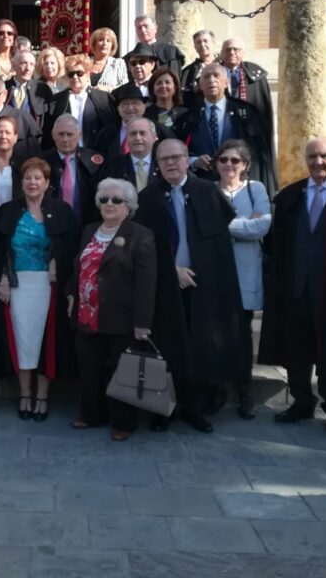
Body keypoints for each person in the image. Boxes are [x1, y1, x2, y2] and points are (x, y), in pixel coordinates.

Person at [136, 139, 247, 434]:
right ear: (158, 165)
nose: (171, 163)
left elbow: (218, 245)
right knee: (167, 347)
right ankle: (164, 408)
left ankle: (195, 408)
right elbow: (145, 247)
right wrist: (172, 271)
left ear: (187, 160)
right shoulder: (148, 197)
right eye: (164, 159)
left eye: (176, 157)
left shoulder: (208, 192)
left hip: (204, 284)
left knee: (201, 346)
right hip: (164, 284)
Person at [258, 137, 326, 435]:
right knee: (295, 348)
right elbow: (275, 244)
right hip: (294, 287)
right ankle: (302, 401)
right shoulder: (289, 197)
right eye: (312, 157)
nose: (318, 162)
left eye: (324, 156)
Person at [66, 178, 157, 441]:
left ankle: (123, 422)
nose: (109, 204)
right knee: (89, 369)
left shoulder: (140, 235)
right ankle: (91, 415)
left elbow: (146, 282)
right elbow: (79, 267)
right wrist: (71, 294)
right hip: (86, 314)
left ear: (129, 206)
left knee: (122, 370)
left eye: (117, 200)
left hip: (122, 316)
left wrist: (142, 322)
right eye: (104, 199)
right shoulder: (89, 230)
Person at [0, 157, 78, 422]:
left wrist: (57, 262)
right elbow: (0, 250)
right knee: (22, 339)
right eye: (27, 178)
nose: (32, 182)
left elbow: (71, 249)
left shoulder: (62, 211)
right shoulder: (8, 211)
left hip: (48, 285)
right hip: (18, 285)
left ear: (47, 183)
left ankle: (42, 395)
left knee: (46, 341)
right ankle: (25, 393)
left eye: (37, 178)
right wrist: (4, 278)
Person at [214, 139, 271, 420]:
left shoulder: (255, 189)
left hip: (247, 271)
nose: (229, 165)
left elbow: (262, 225)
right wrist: (244, 224)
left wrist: (223, 226)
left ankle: (245, 391)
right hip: (216, 273)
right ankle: (219, 390)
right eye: (223, 159)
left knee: (243, 335)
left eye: (235, 160)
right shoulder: (209, 190)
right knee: (217, 334)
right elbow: (204, 226)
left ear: (245, 165)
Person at [174, 62, 277, 196]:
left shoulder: (246, 113)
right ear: (200, 85)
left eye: (216, 76)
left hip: (239, 188)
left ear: (226, 82)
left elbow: (259, 156)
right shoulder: (187, 118)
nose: (212, 80)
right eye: (206, 77)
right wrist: (193, 161)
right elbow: (178, 151)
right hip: (202, 189)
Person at [42, 56, 115, 151]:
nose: (75, 77)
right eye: (71, 74)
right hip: (65, 153)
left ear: (88, 74)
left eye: (80, 73)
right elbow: (49, 131)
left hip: (95, 153)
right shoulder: (57, 100)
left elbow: (110, 128)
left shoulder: (103, 98)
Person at [41, 115, 103, 225]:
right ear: (53, 135)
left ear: (79, 135)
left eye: (69, 134)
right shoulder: (41, 161)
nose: (65, 139)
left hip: (86, 225)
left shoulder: (94, 161)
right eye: (61, 134)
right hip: (50, 224)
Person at [220, 38, 273, 139]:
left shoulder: (256, 75)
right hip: (223, 129)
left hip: (249, 132)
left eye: (236, 49)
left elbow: (264, 109)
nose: (232, 52)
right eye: (228, 49)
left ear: (243, 53)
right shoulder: (213, 74)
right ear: (221, 54)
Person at [100, 117, 161, 194]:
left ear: (154, 137)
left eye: (142, 133)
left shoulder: (163, 164)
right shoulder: (113, 166)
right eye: (133, 134)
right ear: (127, 138)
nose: (138, 138)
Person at [93, 83, 151, 160]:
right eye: (125, 104)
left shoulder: (157, 131)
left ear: (144, 107)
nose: (130, 108)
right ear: (118, 109)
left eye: (135, 103)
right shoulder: (105, 135)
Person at [6, 50, 51, 127]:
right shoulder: (4, 87)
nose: (28, 68)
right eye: (24, 63)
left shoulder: (41, 88)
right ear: (13, 65)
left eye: (32, 64)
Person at [144, 68, 188, 136]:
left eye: (167, 82)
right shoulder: (146, 115)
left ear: (175, 87)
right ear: (152, 88)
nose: (163, 86)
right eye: (159, 83)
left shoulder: (186, 114)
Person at [179, 30, 218, 107]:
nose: (202, 44)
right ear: (195, 47)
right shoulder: (188, 71)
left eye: (205, 41)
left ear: (213, 43)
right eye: (199, 42)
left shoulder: (224, 65)